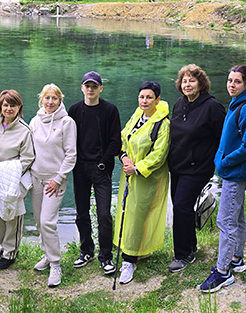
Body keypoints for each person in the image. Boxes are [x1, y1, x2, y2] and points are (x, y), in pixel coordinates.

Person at [199, 65, 246, 293]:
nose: (231, 85)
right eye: (230, 80)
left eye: (237, 81)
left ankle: (223, 272)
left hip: (235, 173)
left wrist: (225, 161)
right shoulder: (238, 102)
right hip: (233, 171)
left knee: (225, 221)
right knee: (236, 217)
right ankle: (236, 258)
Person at [167, 65, 225, 273]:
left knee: (181, 206)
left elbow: (222, 138)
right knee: (182, 207)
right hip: (177, 165)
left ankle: (182, 255)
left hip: (198, 167)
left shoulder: (212, 107)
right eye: (184, 81)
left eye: (192, 80)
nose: (187, 84)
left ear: (201, 83)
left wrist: (215, 162)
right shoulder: (179, 104)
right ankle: (191, 247)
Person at [115, 81, 171, 284]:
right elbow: (123, 137)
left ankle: (129, 260)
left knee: (139, 215)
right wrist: (123, 157)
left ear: (158, 99)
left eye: (149, 97)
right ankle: (134, 250)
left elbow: (159, 154)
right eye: (141, 97)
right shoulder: (138, 115)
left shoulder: (162, 123)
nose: (144, 101)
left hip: (147, 178)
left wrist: (137, 168)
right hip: (128, 173)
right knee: (127, 212)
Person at [69, 71, 122, 275]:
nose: (90, 89)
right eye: (87, 86)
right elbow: (68, 138)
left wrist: (104, 161)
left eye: (94, 86)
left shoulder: (110, 110)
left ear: (101, 88)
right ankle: (86, 251)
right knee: (81, 213)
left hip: (101, 169)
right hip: (80, 168)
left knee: (104, 215)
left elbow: (115, 141)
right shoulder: (74, 110)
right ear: (82, 88)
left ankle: (106, 256)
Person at [29, 84, 77, 287]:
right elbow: (29, 149)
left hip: (55, 180)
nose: (50, 102)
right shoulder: (35, 120)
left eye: (54, 98)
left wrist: (59, 178)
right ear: (42, 99)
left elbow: (71, 154)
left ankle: (56, 264)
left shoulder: (67, 122)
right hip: (36, 178)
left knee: (47, 221)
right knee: (39, 222)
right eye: (47, 98)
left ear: (60, 100)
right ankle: (47, 255)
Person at [0, 89, 35, 270]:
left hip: (12, 181)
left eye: (13, 105)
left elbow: (28, 158)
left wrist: (10, 173)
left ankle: (10, 252)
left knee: (12, 217)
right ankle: (2, 245)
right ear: (0, 106)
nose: (9, 109)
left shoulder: (24, 130)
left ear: (19, 107)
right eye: (6, 105)